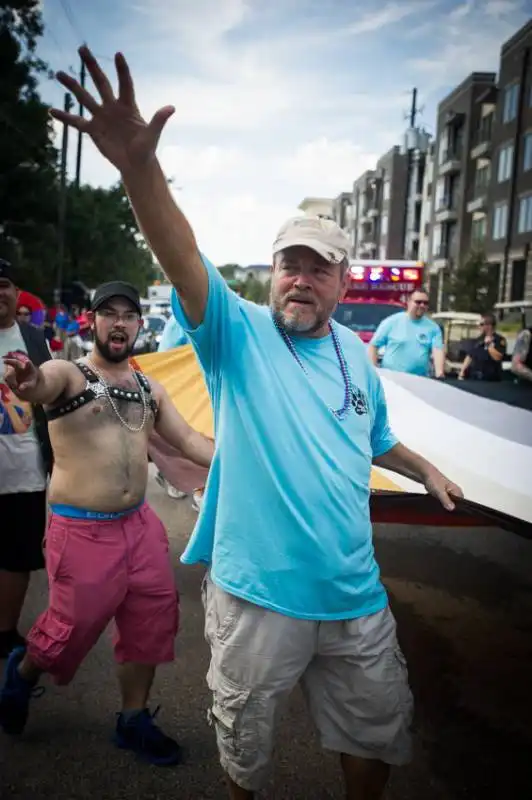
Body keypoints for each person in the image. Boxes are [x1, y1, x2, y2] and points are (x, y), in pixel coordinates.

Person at [50, 48, 463, 799]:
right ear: (271, 272)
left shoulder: (354, 352)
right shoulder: (235, 332)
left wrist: (423, 467)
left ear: (342, 281)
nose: (300, 278)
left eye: (318, 268)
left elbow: (371, 439)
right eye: (287, 264)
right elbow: (180, 254)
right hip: (258, 597)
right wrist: (140, 171)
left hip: (355, 597)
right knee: (247, 745)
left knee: (373, 733)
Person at [0, 279, 213, 765]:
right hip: (81, 530)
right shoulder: (69, 374)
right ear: (93, 321)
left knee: (152, 621)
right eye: (108, 313)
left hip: (138, 528)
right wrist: (27, 380)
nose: (119, 323)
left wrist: (239, 458)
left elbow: (188, 441)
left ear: (139, 324)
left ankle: (133, 719)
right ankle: (23, 672)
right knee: (68, 630)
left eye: (128, 315)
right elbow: (39, 384)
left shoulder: (146, 387)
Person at [0, 259, 53, 660]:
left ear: (17, 294)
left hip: (25, 473)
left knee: (17, 559)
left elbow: (54, 397)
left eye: (4, 284)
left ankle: (5, 632)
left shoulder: (35, 340)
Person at [368, 290, 445, 378]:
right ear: (409, 302)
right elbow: (373, 346)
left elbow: (438, 350)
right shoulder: (391, 322)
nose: (422, 305)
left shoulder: (433, 328)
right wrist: (373, 370)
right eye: (418, 302)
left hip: (421, 380)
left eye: (425, 303)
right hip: (392, 378)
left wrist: (439, 372)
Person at [458, 312, 506, 382]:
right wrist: (462, 371)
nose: (479, 327)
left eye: (481, 324)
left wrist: (489, 345)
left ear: (489, 326)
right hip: (475, 377)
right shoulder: (478, 340)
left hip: (491, 379)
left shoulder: (499, 340)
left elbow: (498, 357)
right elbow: (469, 356)